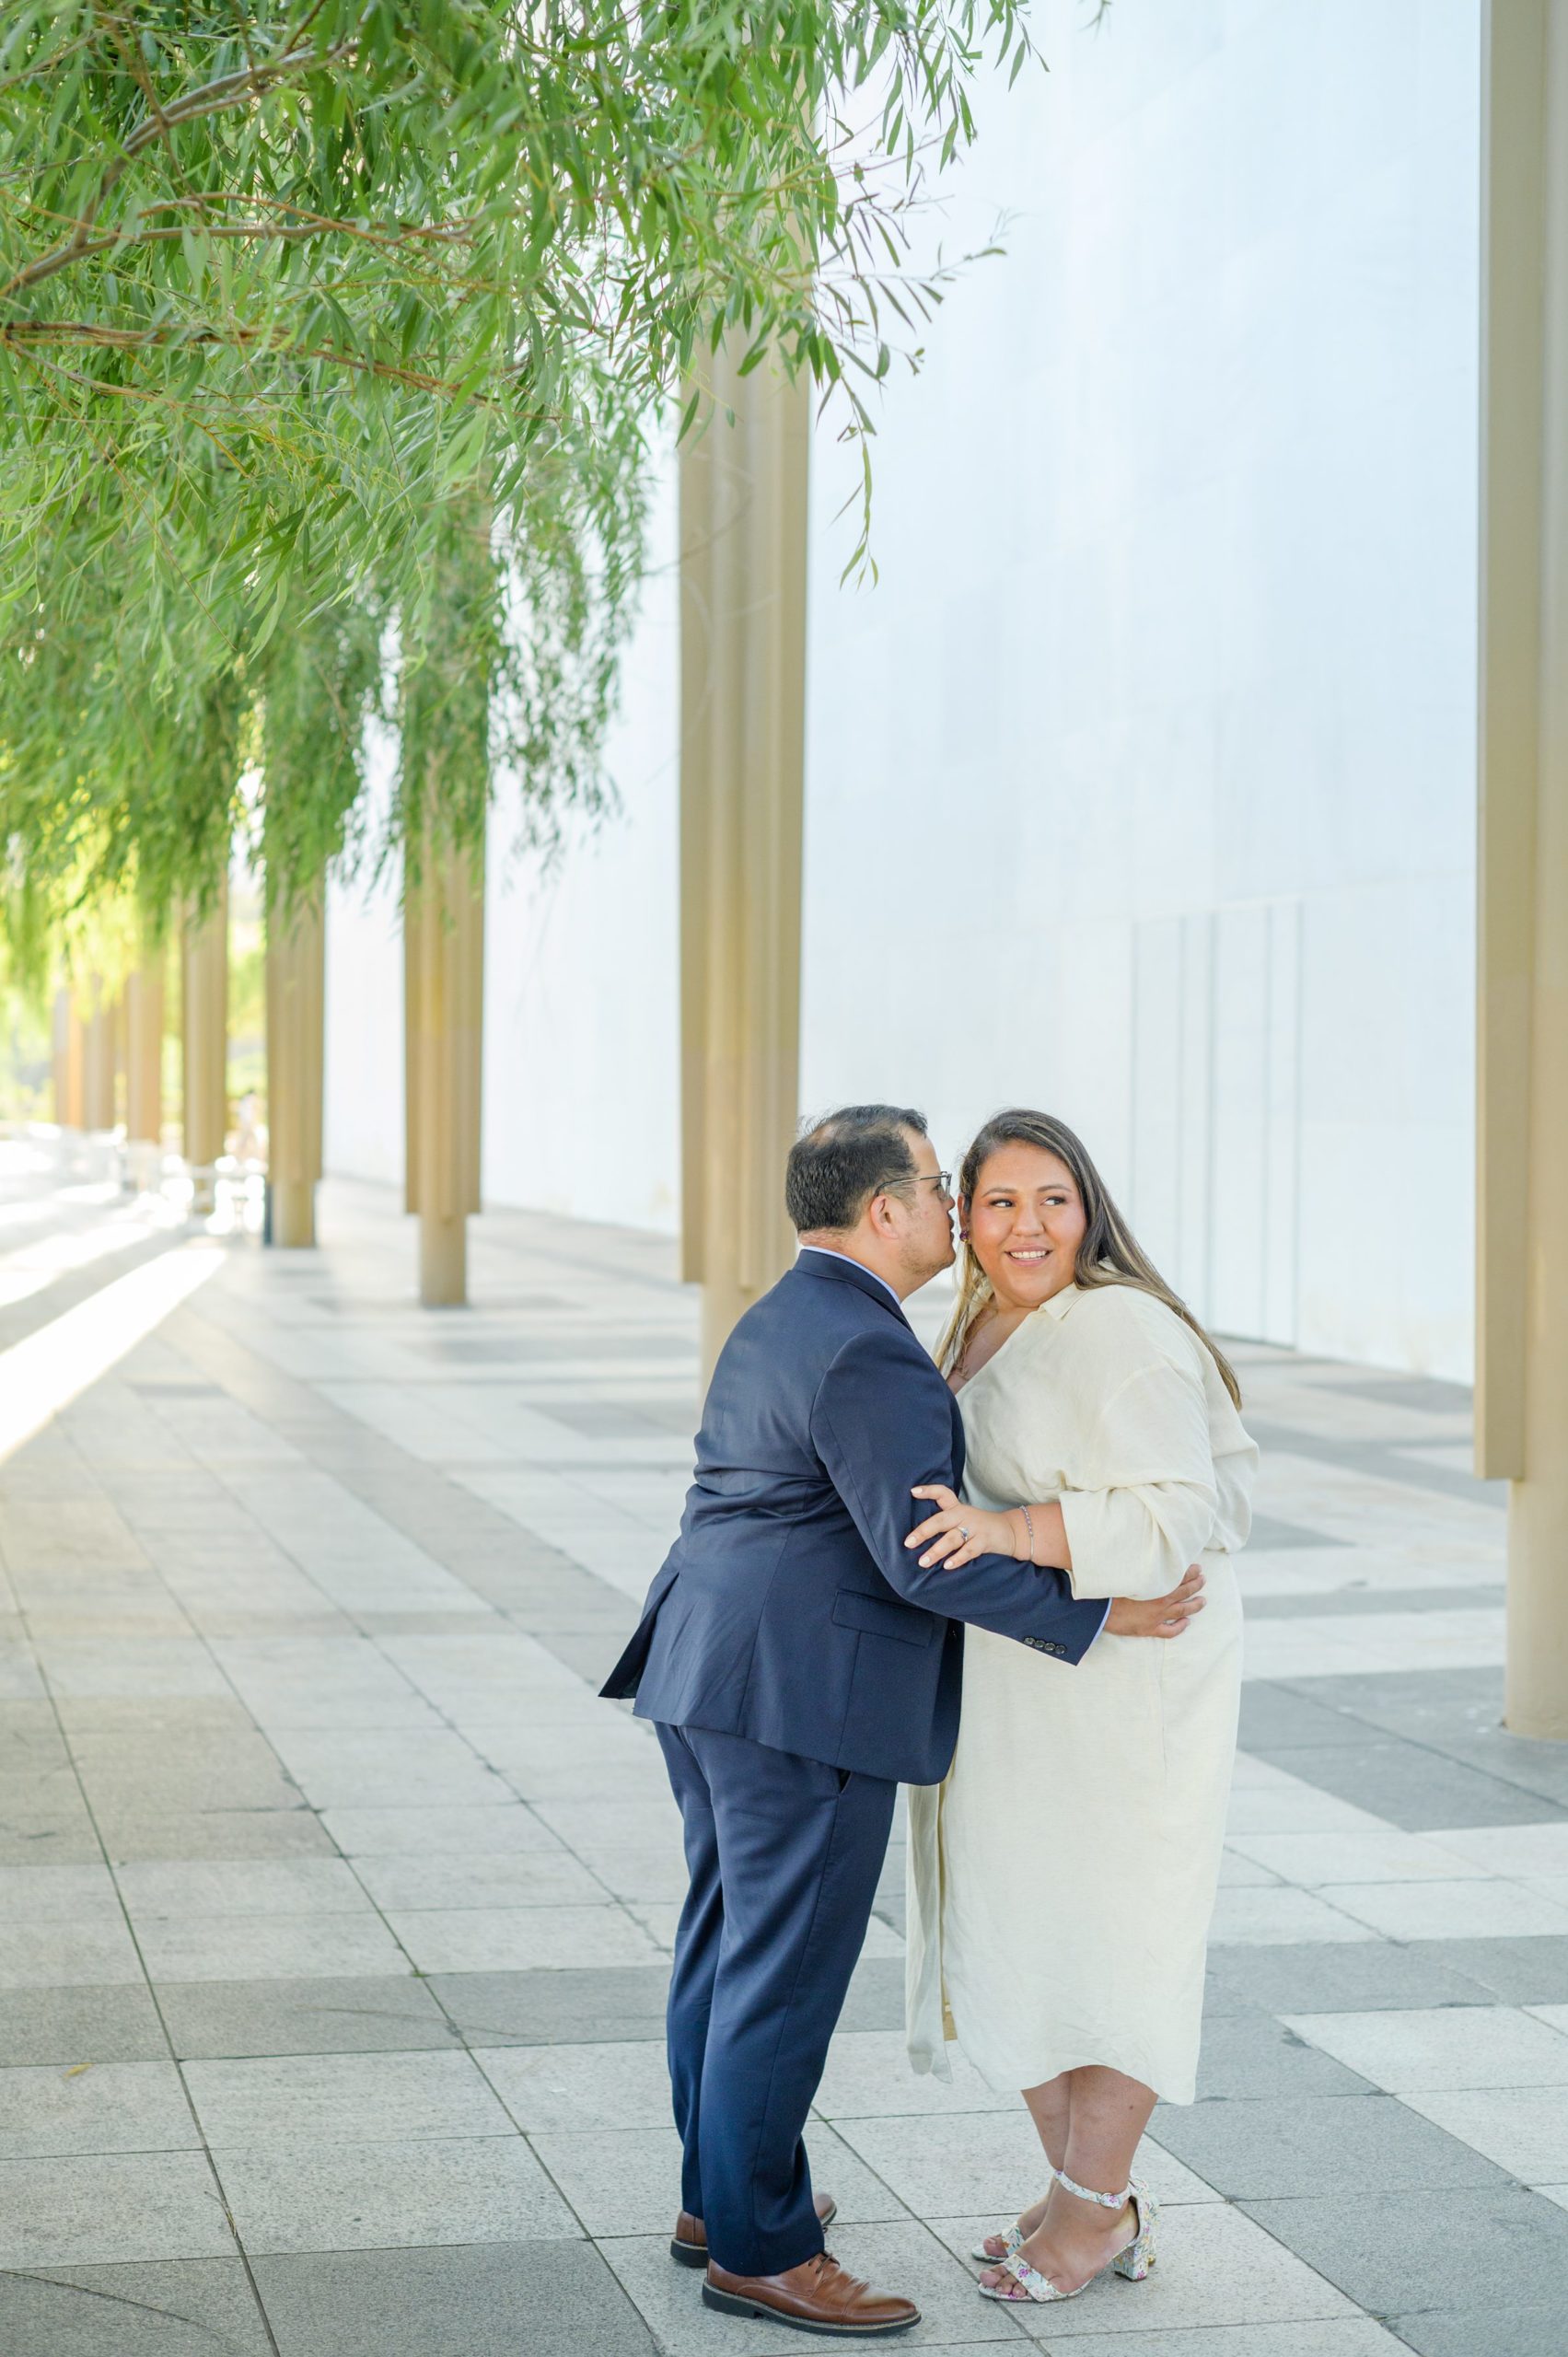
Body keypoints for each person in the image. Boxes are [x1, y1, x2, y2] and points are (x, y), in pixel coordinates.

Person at [601, 1104, 1205, 2339]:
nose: (954, 1210)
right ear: (885, 1209)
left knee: (724, 1947)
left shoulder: (789, 1312)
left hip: (710, 1668)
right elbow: (924, 1554)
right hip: (801, 1696)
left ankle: (718, 2202)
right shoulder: (871, 1345)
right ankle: (762, 2250)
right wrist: (1097, 1618)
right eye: (941, 1187)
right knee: (778, 1973)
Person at [901, 1109, 1257, 2311]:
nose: (1028, 1225)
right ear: (964, 1216)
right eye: (1001, 1202)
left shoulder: (1120, 1328)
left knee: (1116, 1942)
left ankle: (1094, 2213)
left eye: (1053, 1199)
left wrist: (1009, 1532)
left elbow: (1171, 1521)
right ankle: (1081, 2196)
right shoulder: (976, 1322)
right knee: (1028, 1933)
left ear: (1089, 1209)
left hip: (1129, 1696)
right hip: (1030, 1684)